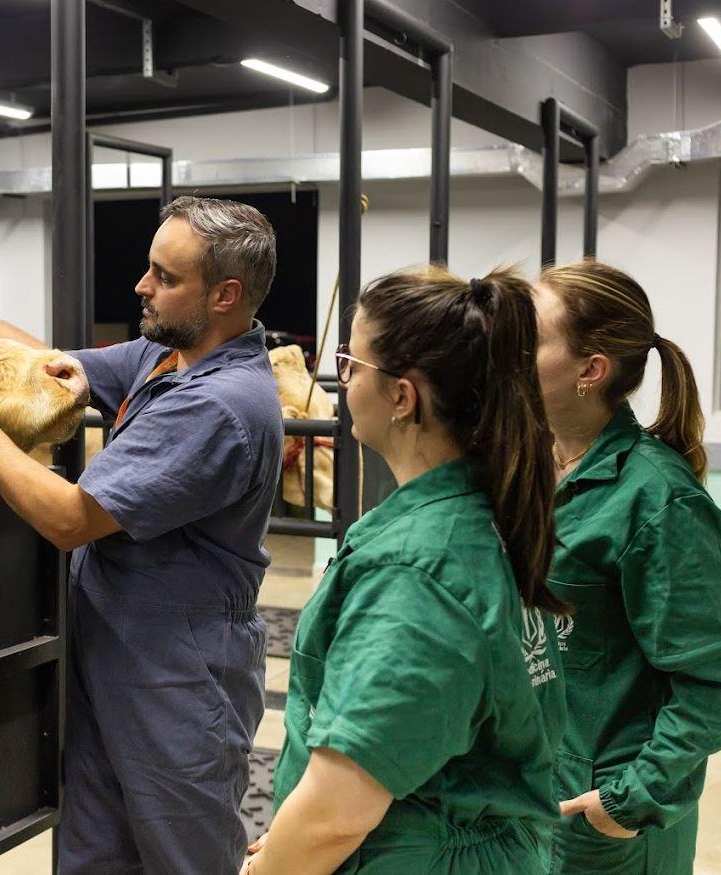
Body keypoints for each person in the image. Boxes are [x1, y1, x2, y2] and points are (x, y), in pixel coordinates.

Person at [0, 195, 284, 874]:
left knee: (183, 855)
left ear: (225, 295)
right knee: (92, 851)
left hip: (178, 673)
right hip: (113, 652)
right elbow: (47, 364)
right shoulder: (165, 358)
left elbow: (69, 518)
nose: (142, 286)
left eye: (165, 277)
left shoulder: (218, 405)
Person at [247, 266, 568, 875]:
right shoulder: (479, 513)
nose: (342, 381)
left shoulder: (418, 572)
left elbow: (337, 814)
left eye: (350, 364)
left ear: (402, 397)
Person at [533, 261, 721, 874]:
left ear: (590, 370)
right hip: (536, 792)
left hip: (604, 820)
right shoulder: (534, 467)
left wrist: (630, 799)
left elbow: (714, 683)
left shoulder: (658, 499)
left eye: (528, 338)